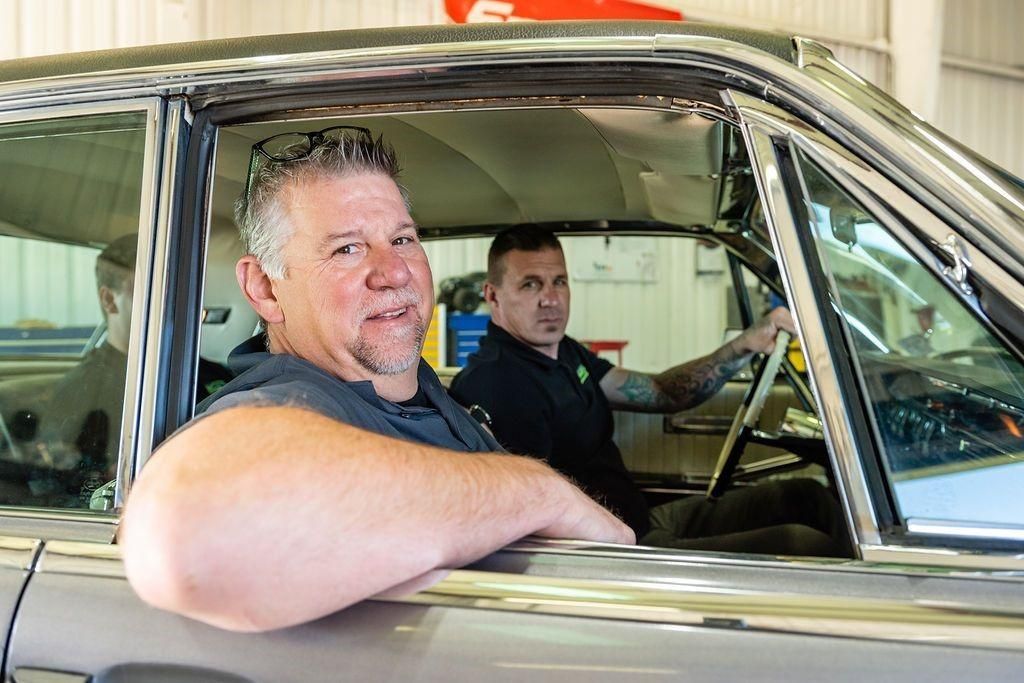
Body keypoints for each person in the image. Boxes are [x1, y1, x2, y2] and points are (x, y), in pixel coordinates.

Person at [120, 128, 633, 633]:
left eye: (402, 239)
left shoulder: (414, 387)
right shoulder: (289, 401)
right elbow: (184, 526)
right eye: (347, 249)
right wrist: (542, 493)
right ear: (265, 288)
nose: (393, 272)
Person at [449, 225, 849, 557]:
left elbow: (661, 392)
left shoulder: (564, 353)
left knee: (805, 497)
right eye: (531, 285)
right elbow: (532, 516)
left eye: (559, 282)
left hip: (643, 518)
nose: (550, 299)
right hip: (621, 551)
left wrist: (744, 344)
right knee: (802, 544)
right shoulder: (496, 383)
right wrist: (632, 548)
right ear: (493, 295)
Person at [37, 235, 231, 507]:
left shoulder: (213, 374)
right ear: (109, 300)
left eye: (176, 288)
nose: (170, 301)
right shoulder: (82, 392)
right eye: (148, 289)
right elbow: (73, 499)